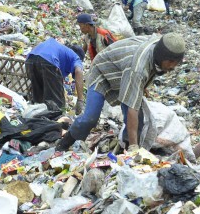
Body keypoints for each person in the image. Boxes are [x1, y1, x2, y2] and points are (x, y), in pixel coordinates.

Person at [56, 33, 185, 152]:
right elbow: (131, 108)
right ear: (165, 58)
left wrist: (142, 85)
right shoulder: (138, 69)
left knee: (138, 118)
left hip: (123, 71)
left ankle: (124, 152)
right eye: (172, 63)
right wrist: (135, 146)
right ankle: (64, 143)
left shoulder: (159, 44)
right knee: (90, 118)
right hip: (102, 71)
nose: (172, 67)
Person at [25, 38, 85, 114]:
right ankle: (55, 123)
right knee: (57, 104)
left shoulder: (61, 50)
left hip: (30, 60)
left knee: (38, 100)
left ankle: (36, 121)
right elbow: (78, 71)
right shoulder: (76, 57)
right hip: (49, 61)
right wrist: (80, 99)